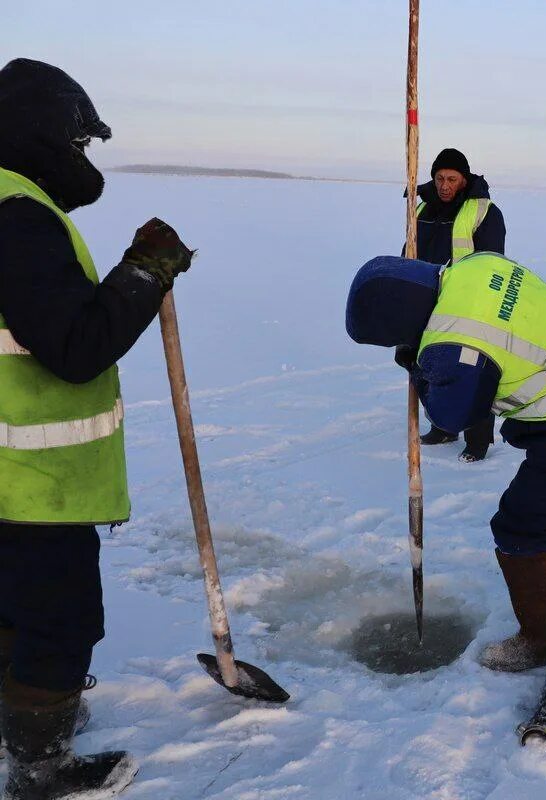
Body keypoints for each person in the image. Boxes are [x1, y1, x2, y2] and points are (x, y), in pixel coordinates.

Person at [0, 59, 195, 798]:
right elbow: (76, 347)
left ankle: (21, 721)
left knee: (13, 606)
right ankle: (39, 770)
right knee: (59, 619)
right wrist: (144, 273)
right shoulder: (18, 215)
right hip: (35, 481)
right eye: (77, 141)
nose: (83, 158)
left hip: (9, 477)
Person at [346, 252, 546, 671]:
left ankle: (541, 641)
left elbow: (454, 415)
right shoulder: (475, 266)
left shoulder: (454, 343)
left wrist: (418, 366)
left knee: (520, 526)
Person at [414, 148, 506, 462]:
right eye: (439, 177)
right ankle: (442, 425)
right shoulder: (422, 208)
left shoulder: (484, 212)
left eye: (451, 178)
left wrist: (479, 302)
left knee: (470, 371)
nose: (444, 184)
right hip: (427, 300)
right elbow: (409, 252)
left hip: (469, 306)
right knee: (426, 365)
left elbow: (493, 264)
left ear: (463, 180)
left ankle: (477, 441)